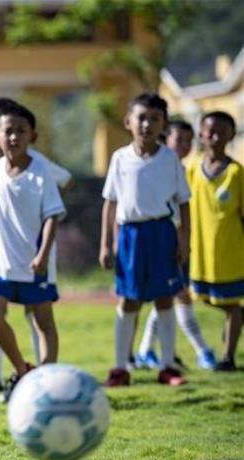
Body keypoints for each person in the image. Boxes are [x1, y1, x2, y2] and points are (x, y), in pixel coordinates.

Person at [0, 97, 72, 396]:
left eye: (21, 130)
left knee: (42, 319)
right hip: (2, 262)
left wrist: (43, 254)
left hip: (35, 261)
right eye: (8, 131)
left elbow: (52, 217)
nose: (14, 136)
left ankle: (46, 383)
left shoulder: (41, 171)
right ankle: (22, 369)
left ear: (32, 135)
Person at [100, 93, 190, 388]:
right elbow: (110, 203)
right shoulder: (120, 158)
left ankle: (167, 366)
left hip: (162, 232)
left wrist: (184, 239)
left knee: (165, 299)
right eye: (142, 118)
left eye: (155, 119)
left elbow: (184, 202)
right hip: (130, 236)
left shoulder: (170, 159)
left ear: (164, 124)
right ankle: (119, 367)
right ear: (128, 122)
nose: (147, 124)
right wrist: (106, 243)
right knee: (129, 300)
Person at [135, 120, 216, 369]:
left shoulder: (184, 168)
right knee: (177, 295)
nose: (183, 145)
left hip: (180, 241)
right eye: (178, 139)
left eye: (188, 140)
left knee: (170, 296)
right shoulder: (159, 168)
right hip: (161, 239)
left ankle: (145, 351)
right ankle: (202, 351)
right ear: (165, 140)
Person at [187, 111, 244, 371]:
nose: (215, 136)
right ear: (201, 134)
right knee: (202, 298)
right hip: (200, 251)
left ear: (231, 135)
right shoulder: (192, 169)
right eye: (210, 131)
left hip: (230, 251)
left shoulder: (236, 172)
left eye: (222, 131)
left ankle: (228, 357)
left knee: (233, 304)